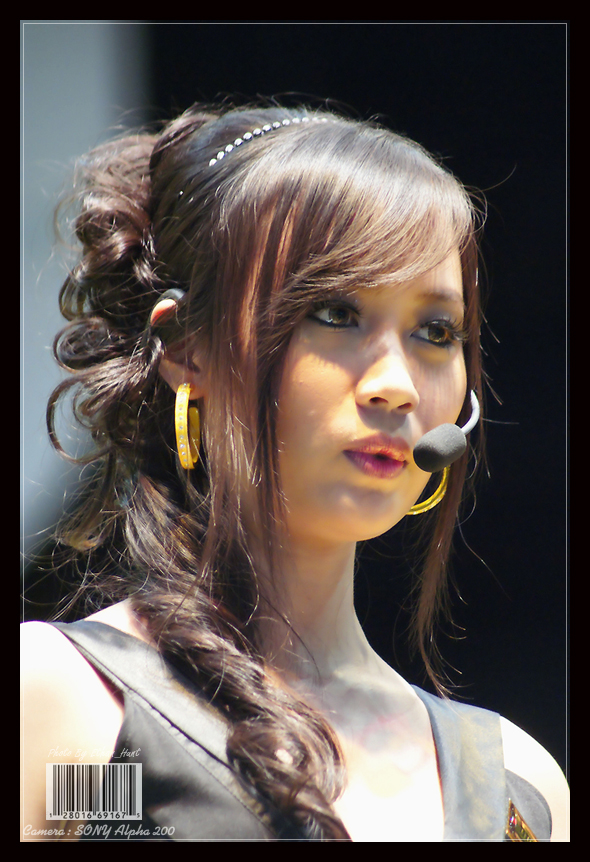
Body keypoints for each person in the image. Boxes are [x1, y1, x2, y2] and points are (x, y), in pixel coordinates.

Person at [20, 102, 569, 842]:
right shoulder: (75, 711)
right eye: (336, 313)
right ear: (186, 348)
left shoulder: (519, 791)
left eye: (437, 331)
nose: (397, 385)